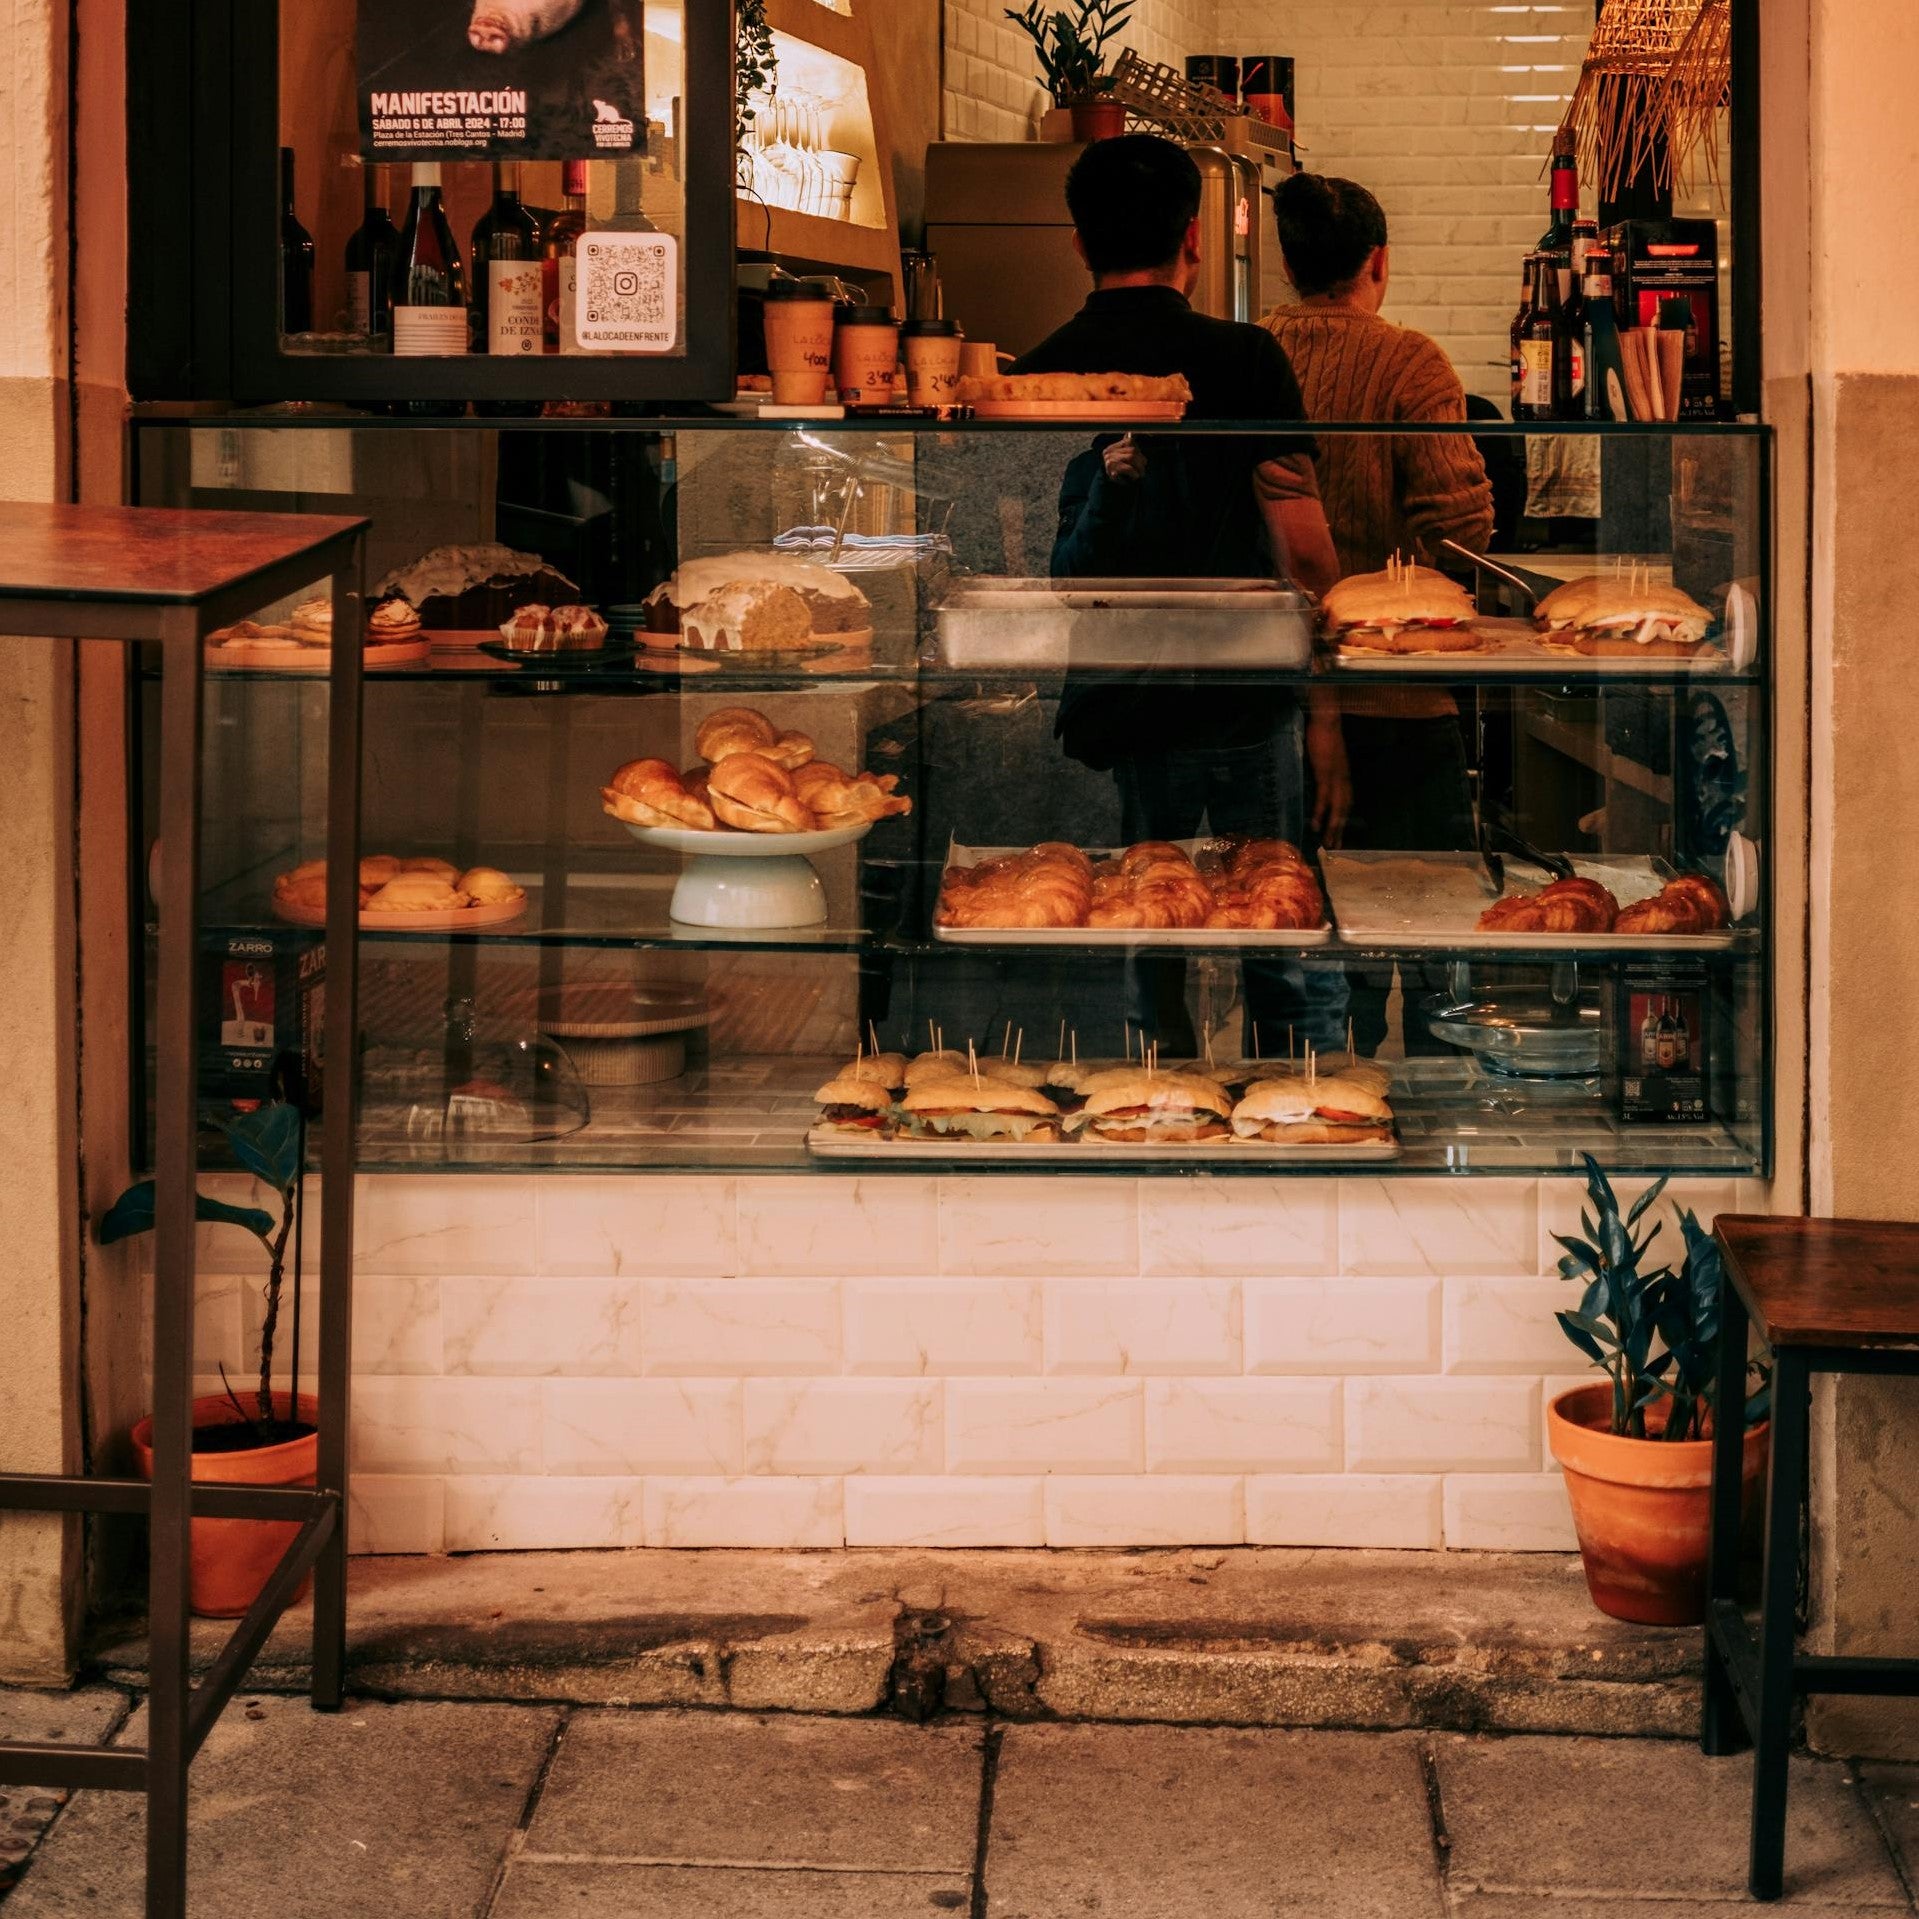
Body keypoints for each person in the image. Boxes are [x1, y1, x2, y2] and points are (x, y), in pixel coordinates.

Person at [1014, 134, 1350, 1054]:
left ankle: (1150, 1115)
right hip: (1244, 704)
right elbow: (1306, 559)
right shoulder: (1246, 360)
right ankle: (1292, 1110)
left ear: (1078, 244)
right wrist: (1327, 722)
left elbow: (1020, 576)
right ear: (1193, 240)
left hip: (1111, 714)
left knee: (1131, 934)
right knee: (1276, 930)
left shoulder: (1027, 377)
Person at [1264, 172, 1495, 1058]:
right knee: (1432, 933)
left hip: (1283, 700)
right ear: (1378, 262)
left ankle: (1325, 1103)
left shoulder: (1252, 352)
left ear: (1286, 262)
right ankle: (1433, 1120)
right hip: (1402, 703)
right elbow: (1462, 523)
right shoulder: (1411, 363)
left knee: (1312, 938)